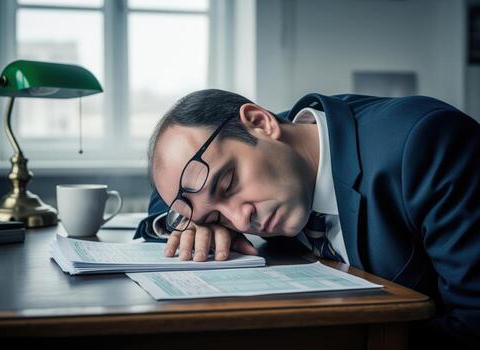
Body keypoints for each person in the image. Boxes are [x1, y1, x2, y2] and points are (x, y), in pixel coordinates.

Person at [133, 89, 480, 347]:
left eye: (228, 184)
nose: (240, 221)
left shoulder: (427, 142)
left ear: (260, 122)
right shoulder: (271, 141)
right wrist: (196, 222)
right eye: (216, 217)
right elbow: (162, 197)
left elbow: (473, 322)